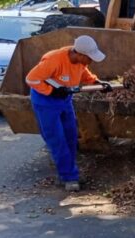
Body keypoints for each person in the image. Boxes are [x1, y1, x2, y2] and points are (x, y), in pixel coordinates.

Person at [25, 35, 109, 192]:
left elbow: (84, 73)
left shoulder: (79, 62)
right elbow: (31, 79)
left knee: (71, 136)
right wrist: (51, 91)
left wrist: (97, 83)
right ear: (79, 54)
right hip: (46, 103)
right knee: (57, 139)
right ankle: (69, 176)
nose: (90, 62)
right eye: (89, 58)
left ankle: (68, 172)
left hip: (64, 100)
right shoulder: (54, 60)